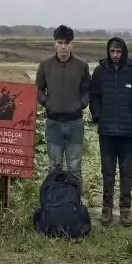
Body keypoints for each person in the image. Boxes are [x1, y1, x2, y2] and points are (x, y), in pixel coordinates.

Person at [89, 37, 132, 226]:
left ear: (124, 53)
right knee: (107, 172)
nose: (115, 55)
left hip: (127, 133)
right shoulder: (100, 72)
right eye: (112, 51)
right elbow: (94, 96)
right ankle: (107, 209)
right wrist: (98, 116)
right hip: (106, 132)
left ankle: (125, 210)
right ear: (108, 52)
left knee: (127, 173)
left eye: (119, 52)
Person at [35, 25, 91, 183]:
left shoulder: (81, 66)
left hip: (75, 123)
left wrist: (80, 105)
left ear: (71, 45)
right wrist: (48, 103)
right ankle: (54, 205)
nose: (63, 47)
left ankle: (75, 205)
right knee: (55, 167)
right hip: (53, 123)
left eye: (67, 43)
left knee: (75, 168)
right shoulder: (45, 65)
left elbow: (88, 90)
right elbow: (38, 89)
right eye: (60, 42)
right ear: (55, 44)